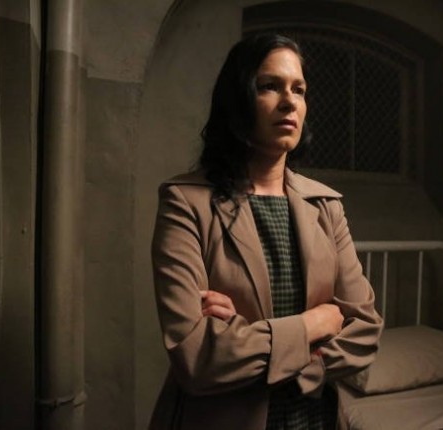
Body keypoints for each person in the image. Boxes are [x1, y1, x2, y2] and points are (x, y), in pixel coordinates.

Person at [149, 33, 383, 430]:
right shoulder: (185, 202)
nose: (290, 102)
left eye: (299, 89)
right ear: (238, 99)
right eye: (270, 86)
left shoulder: (325, 205)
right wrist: (314, 324)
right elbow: (198, 358)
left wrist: (247, 339)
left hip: (315, 419)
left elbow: (365, 331)